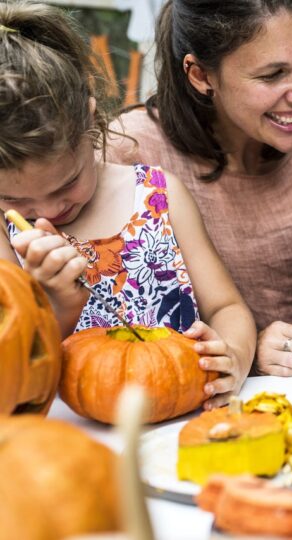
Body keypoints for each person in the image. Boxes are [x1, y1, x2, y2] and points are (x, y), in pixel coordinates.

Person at [0, 2, 256, 409]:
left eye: (67, 182)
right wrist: (57, 303)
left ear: (92, 122)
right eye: (15, 200)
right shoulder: (4, 239)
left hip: (183, 419)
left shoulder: (158, 196)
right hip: (73, 440)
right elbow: (14, 373)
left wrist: (234, 356)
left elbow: (226, 306)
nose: (47, 212)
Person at [105, 0, 292, 377]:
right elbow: (110, 338)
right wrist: (243, 352)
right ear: (201, 75)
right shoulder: (130, 154)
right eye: (273, 74)